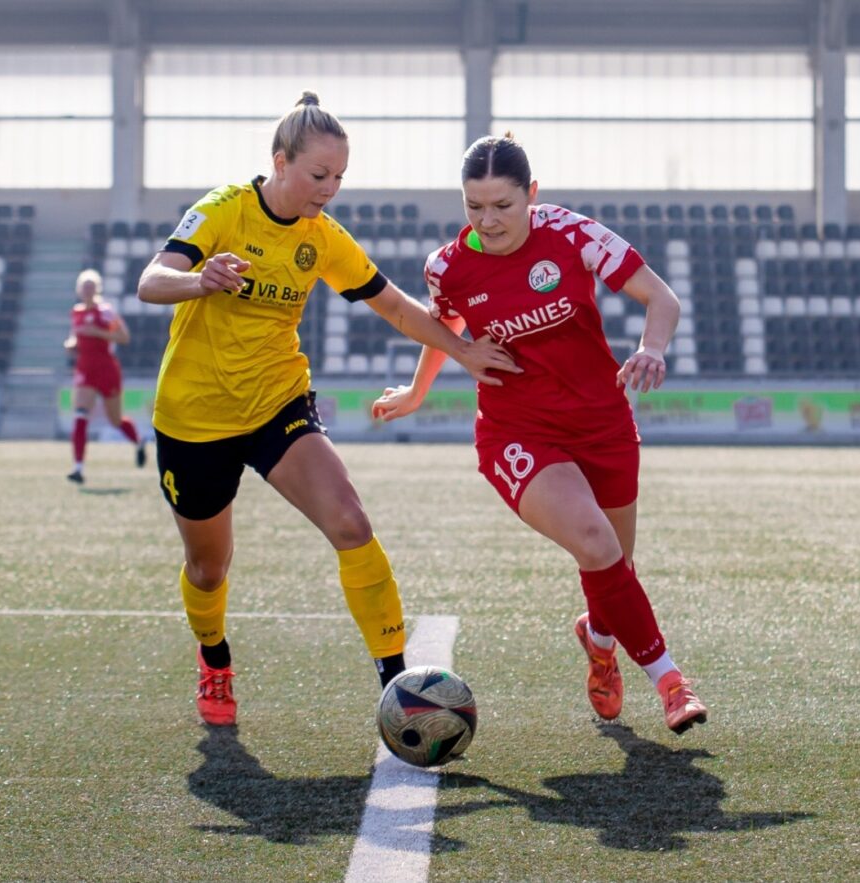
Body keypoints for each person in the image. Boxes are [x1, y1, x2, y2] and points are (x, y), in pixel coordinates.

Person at [136, 93, 518, 728]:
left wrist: (463, 351)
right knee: (208, 569)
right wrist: (199, 279)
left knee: (350, 523)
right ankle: (215, 659)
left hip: (277, 405)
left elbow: (395, 306)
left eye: (340, 176)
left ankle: (400, 686)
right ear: (280, 162)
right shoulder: (222, 210)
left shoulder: (322, 237)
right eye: (320, 175)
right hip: (194, 419)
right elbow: (152, 280)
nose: (331, 189)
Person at [372, 133, 709, 734]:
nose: (488, 220)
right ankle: (672, 682)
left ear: (532, 194)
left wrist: (651, 348)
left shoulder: (572, 234)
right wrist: (418, 391)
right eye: (474, 206)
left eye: (502, 205)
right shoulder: (447, 265)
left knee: (613, 565)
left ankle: (599, 640)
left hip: (602, 422)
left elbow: (660, 296)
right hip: (516, 430)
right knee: (595, 541)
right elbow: (446, 324)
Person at [65, 268, 146, 483]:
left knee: (115, 420)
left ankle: (138, 441)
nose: (87, 290)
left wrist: (98, 333)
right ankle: (78, 468)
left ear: (97, 289)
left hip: (107, 369)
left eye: (91, 287)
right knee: (81, 414)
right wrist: (71, 345)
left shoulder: (106, 311)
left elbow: (124, 337)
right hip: (84, 369)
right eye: (84, 287)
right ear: (79, 290)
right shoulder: (76, 312)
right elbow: (75, 337)